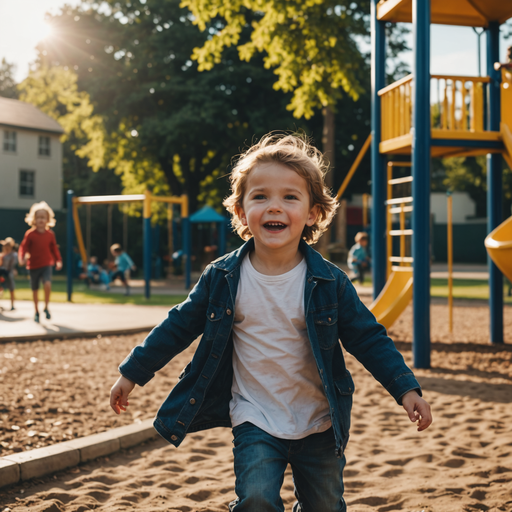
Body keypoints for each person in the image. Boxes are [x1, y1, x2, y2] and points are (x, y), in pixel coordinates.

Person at [110, 133, 432, 511]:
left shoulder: (330, 283)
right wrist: (132, 372)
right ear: (242, 212)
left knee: (325, 505)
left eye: (290, 197)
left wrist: (406, 389)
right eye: (260, 196)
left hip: (319, 420)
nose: (274, 207)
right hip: (254, 416)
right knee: (257, 498)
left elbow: (369, 339)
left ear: (312, 213)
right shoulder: (223, 277)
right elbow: (177, 326)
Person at [18, 201, 62, 323]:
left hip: (47, 263)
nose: (41, 220)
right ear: (34, 219)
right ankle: (36, 311)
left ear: (48, 219)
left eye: (43, 217)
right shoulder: (30, 234)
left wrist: (58, 260)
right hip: (33, 265)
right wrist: (21, 257)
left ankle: (46, 307)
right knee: (35, 289)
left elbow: (54, 248)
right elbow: (23, 247)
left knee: (47, 284)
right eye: (38, 217)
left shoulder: (50, 234)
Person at [0, 237, 19, 310]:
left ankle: (12, 305)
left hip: (8, 273)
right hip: (1, 273)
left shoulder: (13, 255)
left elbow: (12, 265)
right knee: (0, 289)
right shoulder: (2, 254)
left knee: (11, 289)